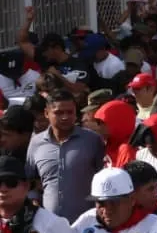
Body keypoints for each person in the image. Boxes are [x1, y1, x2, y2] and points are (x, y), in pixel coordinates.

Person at [25, 89, 106, 222]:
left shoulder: (92, 140)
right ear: (46, 113)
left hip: (87, 224)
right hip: (49, 224)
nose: (65, 117)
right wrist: (34, 201)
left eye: (70, 112)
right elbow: (29, 180)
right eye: (58, 113)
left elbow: (103, 177)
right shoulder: (36, 143)